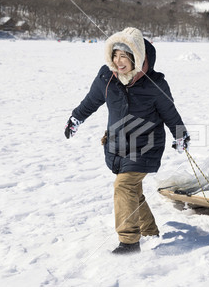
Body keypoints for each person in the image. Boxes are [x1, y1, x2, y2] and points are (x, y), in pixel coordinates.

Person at [64, 27, 190, 254]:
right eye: (115, 55)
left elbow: (170, 113)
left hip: (146, 146)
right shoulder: (106, 77)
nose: (118, 61)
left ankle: (129, 242)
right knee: (132, 191)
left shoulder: (155, 84)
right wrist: (76, 118)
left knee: (124, 185)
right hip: (117, 144)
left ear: (137, 58)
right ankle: (150, 230)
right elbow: (90, 102)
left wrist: (180, 135)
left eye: (124, 56)